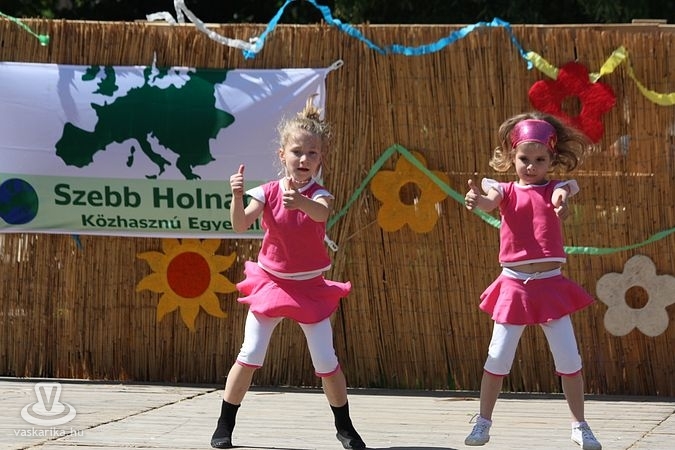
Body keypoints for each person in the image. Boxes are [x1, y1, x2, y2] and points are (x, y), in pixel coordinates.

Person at [210, 96, 366, 450]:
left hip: (309, 288)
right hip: (271, 284)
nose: (304, 159)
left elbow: (321, 214)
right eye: (297, 152)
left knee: (326, 361)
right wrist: (237, 196)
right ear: (283, 155)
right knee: (250, 353)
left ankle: (345, 428)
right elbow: (240, 225)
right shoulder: (266, 192)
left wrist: (302, 202)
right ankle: (224, 425)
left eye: (312, 153)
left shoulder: (320, 195)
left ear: (320, 159)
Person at [463, 112, 602, 450]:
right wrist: (477, 201)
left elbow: (560, 198)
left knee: (569, 360)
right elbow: (489, 202)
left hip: (551, 286)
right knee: (497, 357)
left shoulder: (557, 188)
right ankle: (483, 422)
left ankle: (580, 425)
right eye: (524, 159)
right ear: (512, 157)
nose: (531, 166)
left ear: (552, 159)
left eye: (540, 160)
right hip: (514, 286)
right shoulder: (504, 190)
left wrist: (561, 203)